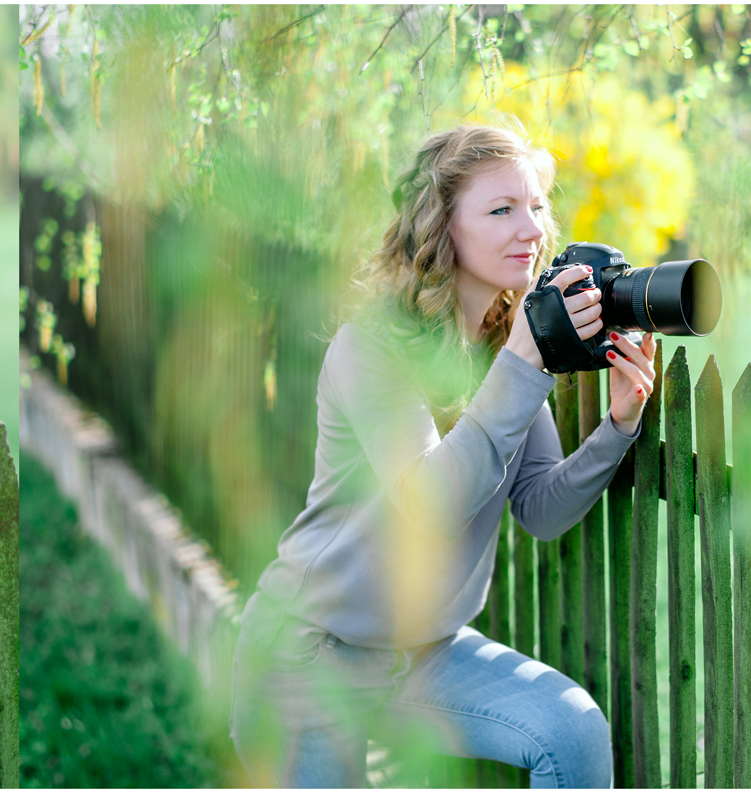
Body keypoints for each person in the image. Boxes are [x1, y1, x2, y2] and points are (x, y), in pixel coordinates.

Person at [230, 124, 659, 788]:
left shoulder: (499, 345)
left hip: (423, 653)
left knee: (571, 730)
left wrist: (618, 425)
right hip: (308, 655)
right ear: (443, 228)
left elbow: (541, 506)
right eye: (501, 209)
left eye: (536, 205)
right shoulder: (373, 348)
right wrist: (526, 360)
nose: (532, 228)